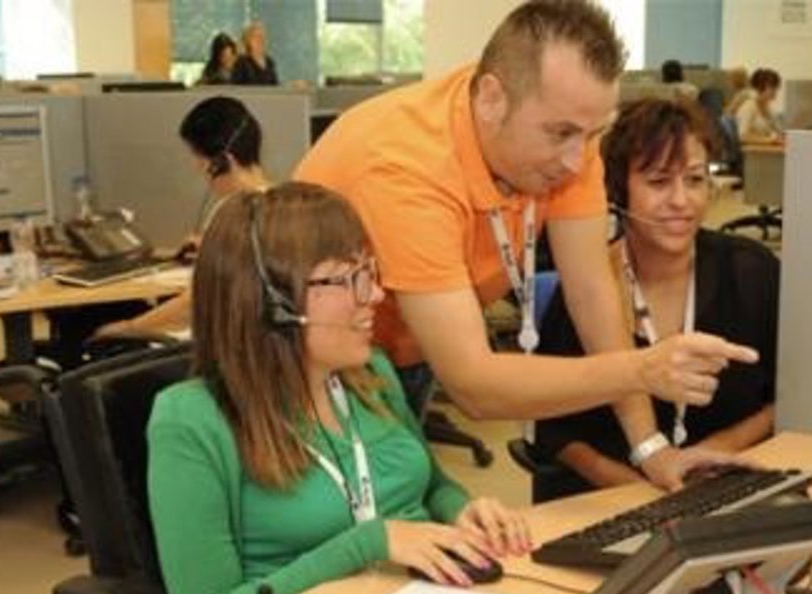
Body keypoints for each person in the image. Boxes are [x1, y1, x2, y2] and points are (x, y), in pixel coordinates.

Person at [147, 182, 548, 594]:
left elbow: (431, 484)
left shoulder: (371, 377)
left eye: (371, 272)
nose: (377, 295)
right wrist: (368, 542)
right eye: (348, 279)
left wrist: (467, 509)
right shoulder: (193, 421)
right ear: (271, 301)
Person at [296, 0, 757, 495]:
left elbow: (592, 292)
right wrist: (642, 369)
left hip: (409, 349)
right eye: (561, 134)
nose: (577, 160)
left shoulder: (569, 135)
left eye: (592, 135)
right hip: (308, 360)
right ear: (491, 100)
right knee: (340, 512)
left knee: (399, 497)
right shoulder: (407, 168)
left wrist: (650, 447)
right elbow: (473, 386)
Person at [534, 97, 779, 501]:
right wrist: (638, 492)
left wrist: (715, 453)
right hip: (611, 500)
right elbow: (551, 428)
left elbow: (784, 397)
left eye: (695, 180)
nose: (681, 200)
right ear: (618, 191)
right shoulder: (587, 286)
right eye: (659, 181)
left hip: (724, 490)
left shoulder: (751, 271)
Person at [92, 96, 271, 339]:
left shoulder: (233, 213)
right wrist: (208, 250)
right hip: (249, 342)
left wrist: (129, 328)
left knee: (96, 329)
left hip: (215, 346)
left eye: (199, 158)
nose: (196, 167)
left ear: (221, 162)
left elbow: (194, 305)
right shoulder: (279, 203)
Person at [735, 67, 784, 145]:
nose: (775, 91)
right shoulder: (748, 107)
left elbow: (778, 130)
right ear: (760, 87)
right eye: (772, 88)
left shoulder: (767, 108)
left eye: (776, 87)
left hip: (764, 149)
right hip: (752, 151)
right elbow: (742, 136)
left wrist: (781, 136)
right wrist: (769, 140)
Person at [231, 21, 278, 86]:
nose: (261, 40)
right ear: (248, 40)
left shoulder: (269, 62)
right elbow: (236, 87)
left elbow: (275, 85)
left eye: (263, 36)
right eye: (256, 37)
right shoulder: (241, 63)